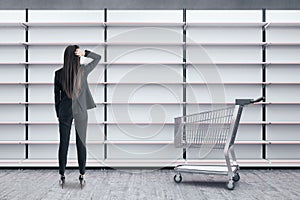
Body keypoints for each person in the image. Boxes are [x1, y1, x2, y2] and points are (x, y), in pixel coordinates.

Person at [54, 45, 101, 188]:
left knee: (64, 143)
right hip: (80, 111)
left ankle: (62, 174)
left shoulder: (58, 73)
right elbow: (97, 58)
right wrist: (85, 53)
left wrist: (59, 113)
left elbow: (57, 96)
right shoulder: (83, 71)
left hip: (64, 112)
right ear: (76, 56)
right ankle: (82, 174)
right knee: (81, 143)